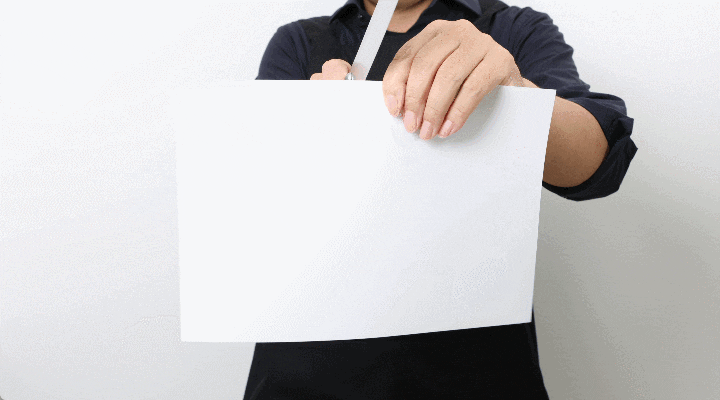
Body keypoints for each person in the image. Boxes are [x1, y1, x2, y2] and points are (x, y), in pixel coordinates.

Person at [247, 0, 638, 398]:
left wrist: (515, 93)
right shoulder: (300, 41)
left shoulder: (512, 27)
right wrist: (307, 135)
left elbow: (599, 164)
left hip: (475, 370)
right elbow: (257, 206)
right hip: (307, 371)